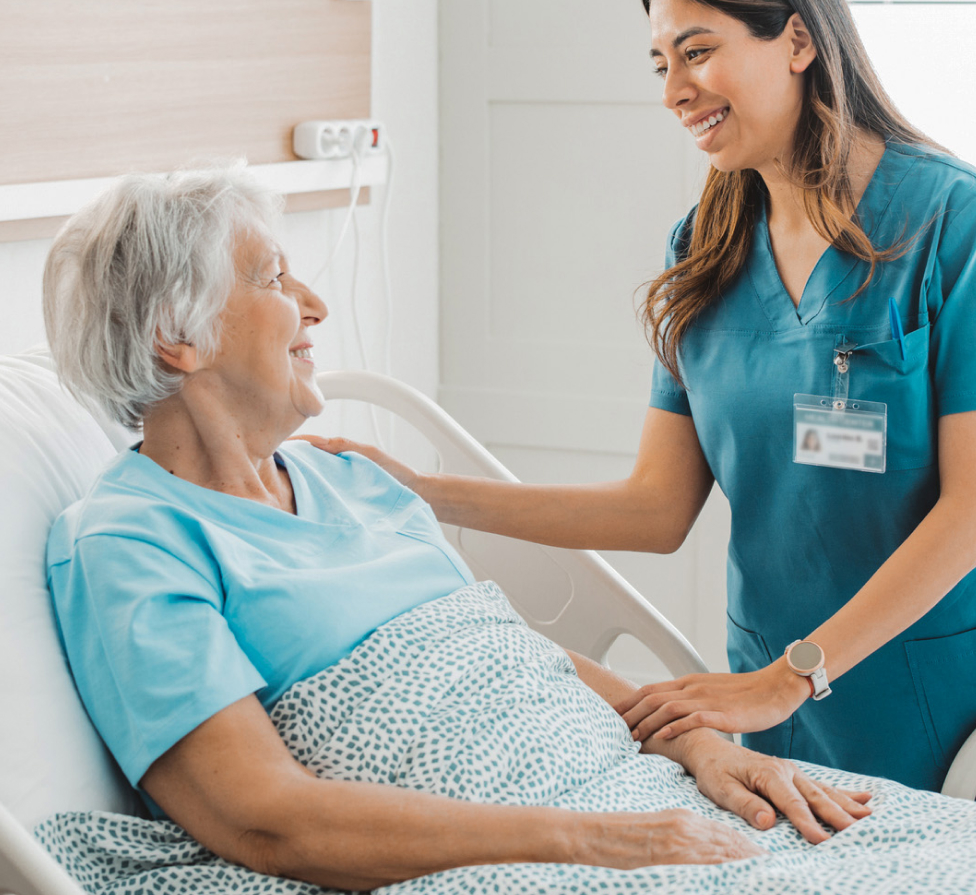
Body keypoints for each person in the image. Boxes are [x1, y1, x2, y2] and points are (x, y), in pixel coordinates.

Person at [310, 0, 976, 812]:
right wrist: (417, 489)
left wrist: (795, 675)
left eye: (697, 51)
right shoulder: (706, 247)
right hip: (785, 700)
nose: (674, 89)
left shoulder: (959, 220)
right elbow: (656, 507)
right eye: (659, 65)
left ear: (797, 38)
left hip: (969, 687)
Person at [41, 167, 871, 893]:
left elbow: (500, 649)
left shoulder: (354, 480)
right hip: (538, 849)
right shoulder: (131, 545)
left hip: (630, 799)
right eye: (275, 279)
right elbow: (265, 820)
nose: (316, 305)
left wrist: (699, 745)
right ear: (174, 339)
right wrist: (597, 844)